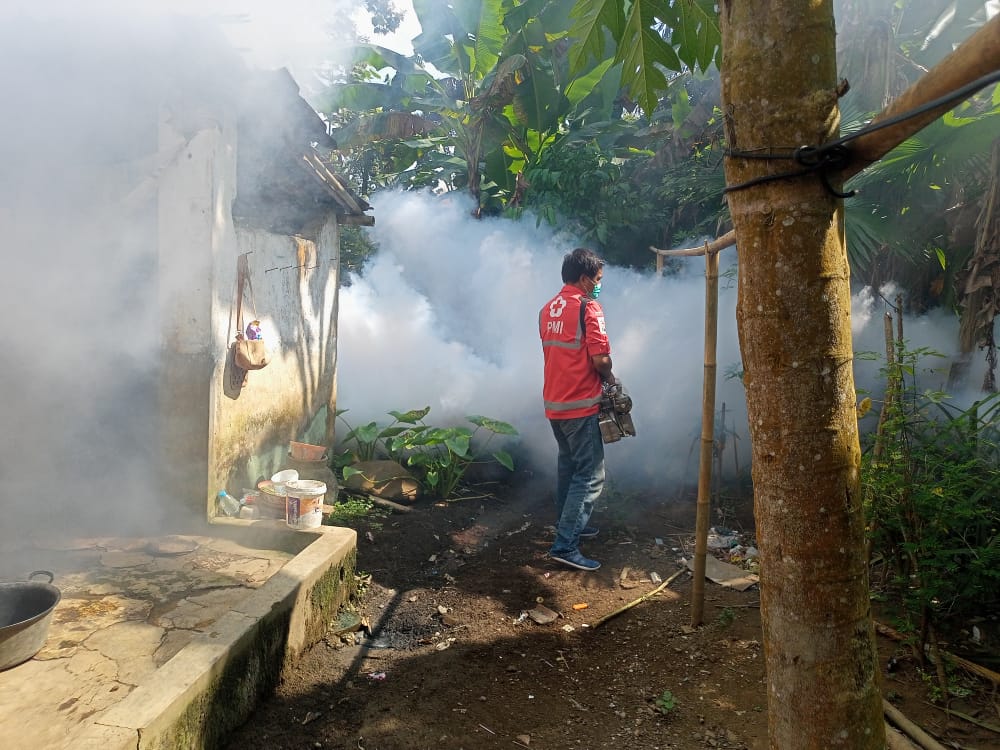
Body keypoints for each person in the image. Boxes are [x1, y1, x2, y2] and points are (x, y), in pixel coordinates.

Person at [538, 247, 617, 571]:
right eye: (597, 279)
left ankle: (570, 524)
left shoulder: (547, 309)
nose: (598, 285)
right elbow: (600, 359)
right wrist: (610, 378)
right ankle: (565, 545)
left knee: (569, 468)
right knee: (591, 475)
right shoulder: (588, 308)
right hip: (580, 404)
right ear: (584, 279)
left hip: (555, 403)